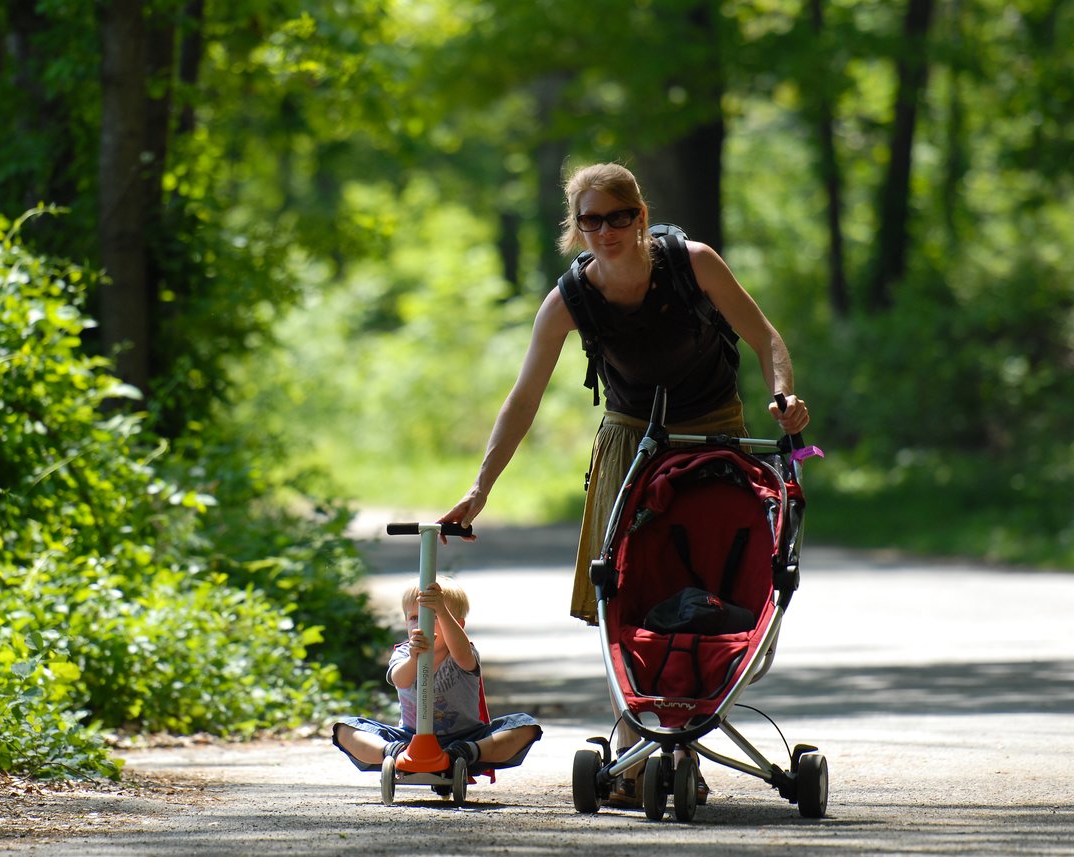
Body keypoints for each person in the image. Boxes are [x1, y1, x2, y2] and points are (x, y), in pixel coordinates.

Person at [438, 161, 811, 803]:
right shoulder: (570, 299)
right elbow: (522, 398)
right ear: (575, 228)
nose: (606, 230)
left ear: (640, 216)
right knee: (623, 586)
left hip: (714, 427)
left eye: (619, 216)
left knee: (715, 572)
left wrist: (785, 397)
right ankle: (639, 745)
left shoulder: (693, 262)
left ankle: (686, 725)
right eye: (591, 220)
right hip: (631, 434)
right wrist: (482, 488)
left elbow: (765, 337)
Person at [332, 576, 542, 774]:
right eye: (414, 618)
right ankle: (394, 753)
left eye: (433, 616)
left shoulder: (462, 652)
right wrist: (414, 659)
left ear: (458, 625)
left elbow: (463, 656)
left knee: (525, 726)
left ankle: (463, 754)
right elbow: (400, 679)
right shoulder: (404, 653)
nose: (421, 623)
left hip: (466, 738)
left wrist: (442, 609)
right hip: (410, 738)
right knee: (346, 728)